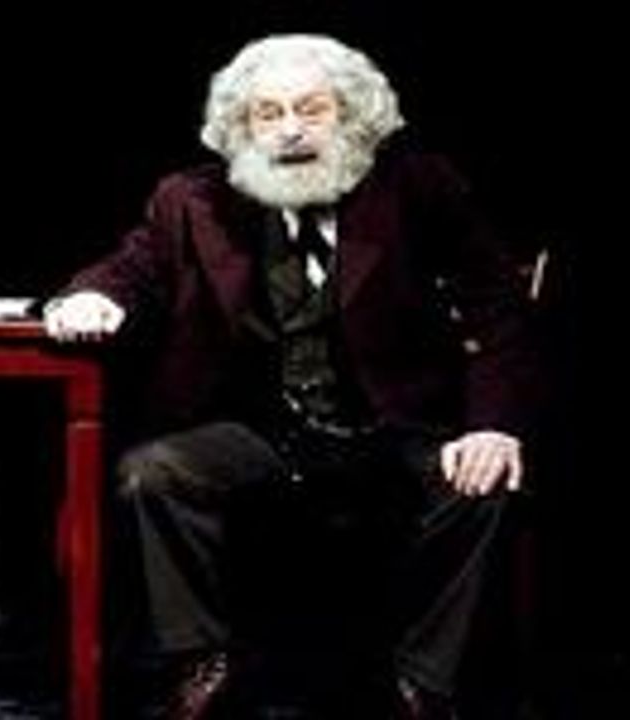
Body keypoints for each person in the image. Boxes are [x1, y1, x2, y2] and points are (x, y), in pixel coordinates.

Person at [44, 34, 536, 719]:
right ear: (241, 129)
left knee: (481, 487)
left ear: (352, 118)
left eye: (312, 109)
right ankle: (200, 664)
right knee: (153, 473)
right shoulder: (191, 200)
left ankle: (425, 682)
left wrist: (492, 427)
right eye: (268, 114)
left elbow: (497, 304)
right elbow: (130, 270)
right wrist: (90, 298)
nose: (291, 130)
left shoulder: (417, 187)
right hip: (262, 431)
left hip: (396, 426)